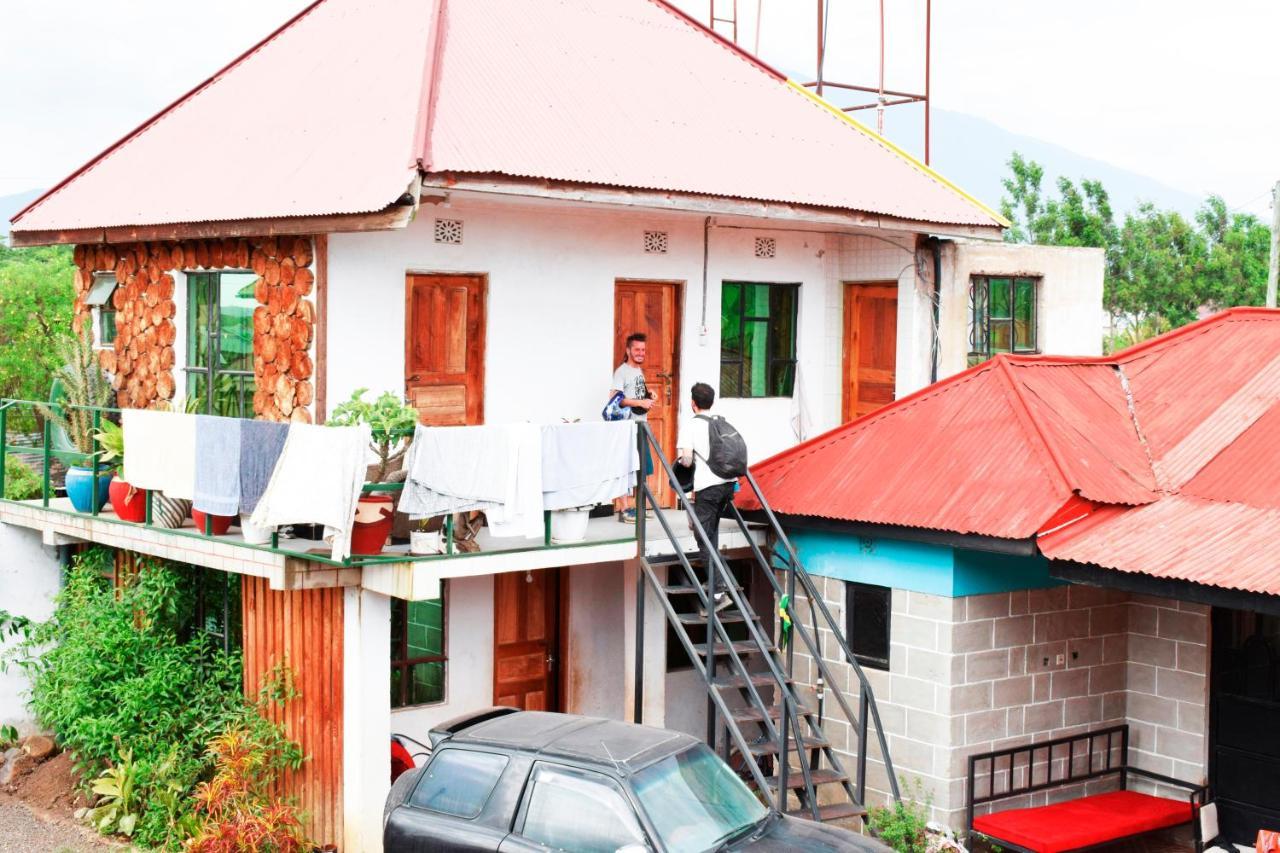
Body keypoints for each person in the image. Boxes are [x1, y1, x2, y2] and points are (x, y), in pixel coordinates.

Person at [677, 382, 736, 612]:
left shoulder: (691, 426)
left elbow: (687, 461)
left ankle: (719, 592)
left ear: (693, 403)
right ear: (711, 402)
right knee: (710, 531)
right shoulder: (719, 422)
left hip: (708, 488)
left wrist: (681, 462)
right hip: (727, 486)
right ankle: (715, 582)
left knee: (702, 537)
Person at [611, 332, 656, 523]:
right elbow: (616, 398)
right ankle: (624, 509)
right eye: (637, 349)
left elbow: (635, 393)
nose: (640, 353)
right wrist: (640, 403)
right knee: (625, 467)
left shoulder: (638, 371)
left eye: (643, 350)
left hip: (640, 425)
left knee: (643, 468)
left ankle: (637, 508)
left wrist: (649, 394)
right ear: (628, 350)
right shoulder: (621, 371)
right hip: (627, 427)